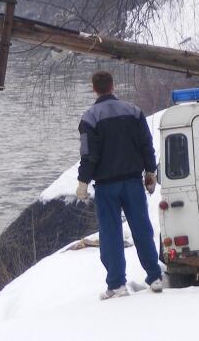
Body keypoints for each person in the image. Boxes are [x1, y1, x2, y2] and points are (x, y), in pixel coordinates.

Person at [75, 70, 163, 299]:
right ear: (113, 86)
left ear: (94, 88)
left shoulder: (89, 118)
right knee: (142, 229)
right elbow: (146, 144)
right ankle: (154, 277)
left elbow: (88, 155)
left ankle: (117, 285)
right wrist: (150, 171)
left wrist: (83, 181)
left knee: (111, 234)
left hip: (106, 187)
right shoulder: (134, 112)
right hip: (133, 182)